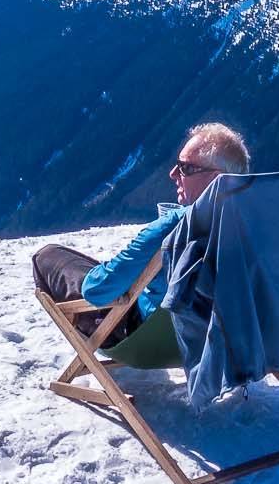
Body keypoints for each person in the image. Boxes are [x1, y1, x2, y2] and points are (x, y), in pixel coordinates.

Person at [31, 122, 250, 335]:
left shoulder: (175, 226)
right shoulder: (259, 226)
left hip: (157, 339)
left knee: (47, 256)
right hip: (238, 335)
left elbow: (97, 292)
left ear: (216, 180)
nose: (173, 174)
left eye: (186, 167)